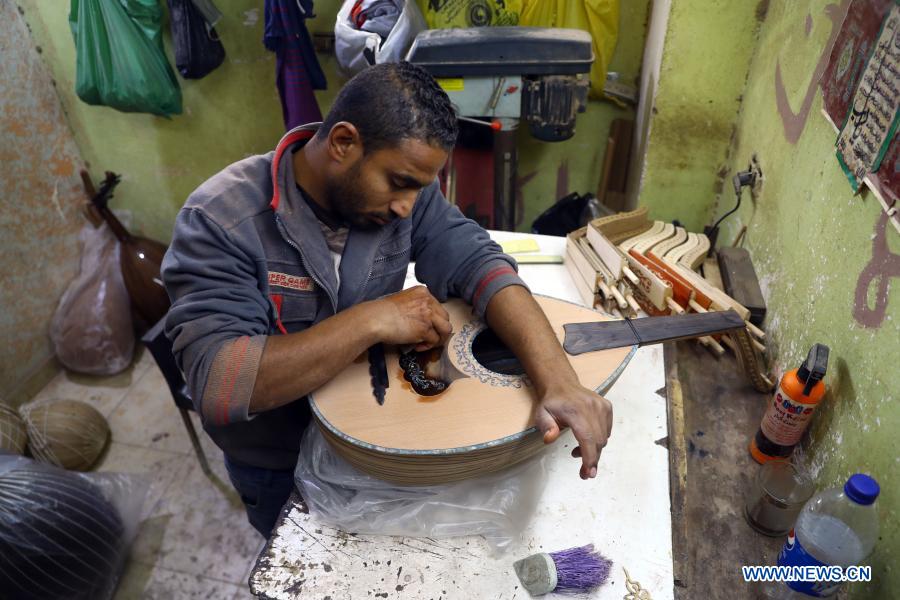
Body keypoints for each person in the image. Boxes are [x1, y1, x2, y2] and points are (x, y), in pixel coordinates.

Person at [162, 61, 613, 538]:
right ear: (343, 143)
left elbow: (481, 264)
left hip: (379, 434)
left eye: (420, 189)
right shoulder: (219, 220)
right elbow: (218, 382)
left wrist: (559, 380)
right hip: (279, 461)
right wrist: (370, 321)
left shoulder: (407, 191)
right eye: (399, 184)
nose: (406, 207)